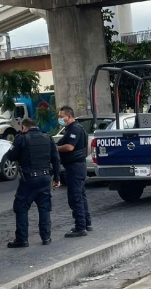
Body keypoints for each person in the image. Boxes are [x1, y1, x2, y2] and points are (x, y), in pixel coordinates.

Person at [6, 118, 61, 248]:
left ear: (25, 127)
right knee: (44, 207)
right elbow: (56, 159)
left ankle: (22, 239)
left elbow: (10, 156)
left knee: (21, 207)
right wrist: (57, 178)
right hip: (45, 178)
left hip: (29, 179)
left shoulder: (21, 138)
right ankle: (46, 237)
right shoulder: (48, 138)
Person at [56, 106, 92, 237]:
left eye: (61, 116)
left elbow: (70, 147)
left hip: (75, 167)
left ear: (69, 116)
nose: (60, 119)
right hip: (76, 166)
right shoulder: (71, 128)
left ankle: (80, 227)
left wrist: (55, 148)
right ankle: (86, 223)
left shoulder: (75, 129)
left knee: (75, 197)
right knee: (81, 196)